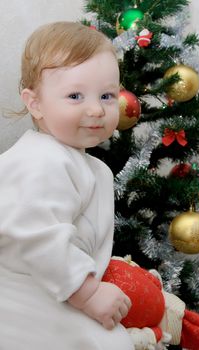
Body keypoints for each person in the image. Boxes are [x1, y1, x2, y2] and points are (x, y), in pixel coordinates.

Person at [0, 22, 134, 350]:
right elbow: (36, 234)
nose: (95, 109)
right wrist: (87, 293)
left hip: (54, 288)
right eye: (75, 96)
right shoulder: (42, 161)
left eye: (106, 95)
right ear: (35, 103)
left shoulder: (77, 162)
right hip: (26, 298)